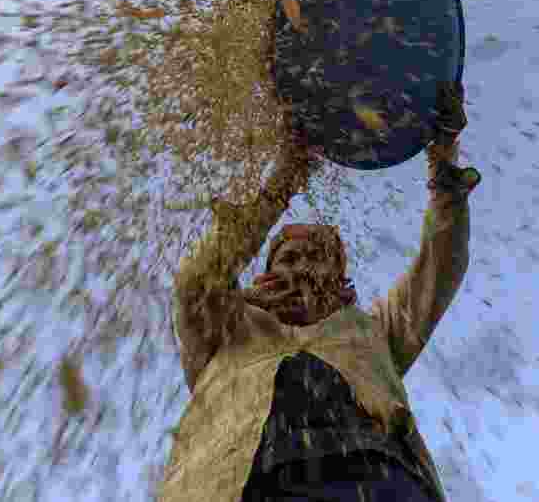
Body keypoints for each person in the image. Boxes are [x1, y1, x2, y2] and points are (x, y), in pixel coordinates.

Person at [160, 80, 480, 502]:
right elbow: (196, 280)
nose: (301, 267)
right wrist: (286, 177)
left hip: (379, 481)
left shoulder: (373, 330)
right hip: (238, 483)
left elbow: (440, 269)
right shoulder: (226, 324)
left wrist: (443, 163)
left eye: (315, 257)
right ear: (264, 272)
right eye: (288, 258)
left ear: (339, 277)